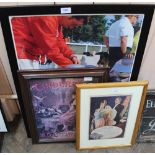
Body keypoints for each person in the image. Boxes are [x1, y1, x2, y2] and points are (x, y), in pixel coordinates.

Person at [11, 16, 88, 69]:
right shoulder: (47, 19)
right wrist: (72, 66)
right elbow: (50, 50)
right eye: (73, 24)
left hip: (29, 54)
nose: (71, 28)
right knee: (27, 88)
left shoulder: (57, 21)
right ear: (68, 15)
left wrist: (71, 56)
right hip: (21, 53)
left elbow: (59, 41)